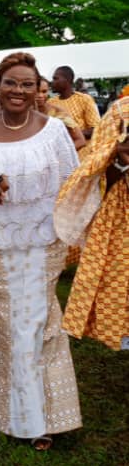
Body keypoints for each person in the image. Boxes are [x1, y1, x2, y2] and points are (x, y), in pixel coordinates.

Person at [0, 51, 82, 451]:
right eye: (11, 82)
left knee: (39, 321)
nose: (18, 90)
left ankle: (38, 414)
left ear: (37, 90)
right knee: (12, 320)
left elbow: (71, 183)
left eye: (27, 84)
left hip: (45, 240)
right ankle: (6, 398)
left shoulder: (54, 132)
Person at [55, 97, 129, 351]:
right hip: (122, 214)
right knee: (119, 280)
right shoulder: (120, 112)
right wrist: (120, 159)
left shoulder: (85, 99)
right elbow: (99, 176)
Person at [47, 66, 100, 156]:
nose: (52, 82)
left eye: (55, 78)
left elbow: (95, 129)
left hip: (83, 156)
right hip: (60, 156)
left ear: (67, 80)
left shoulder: (84, 99)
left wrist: (72, 135)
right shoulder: (50, 103)